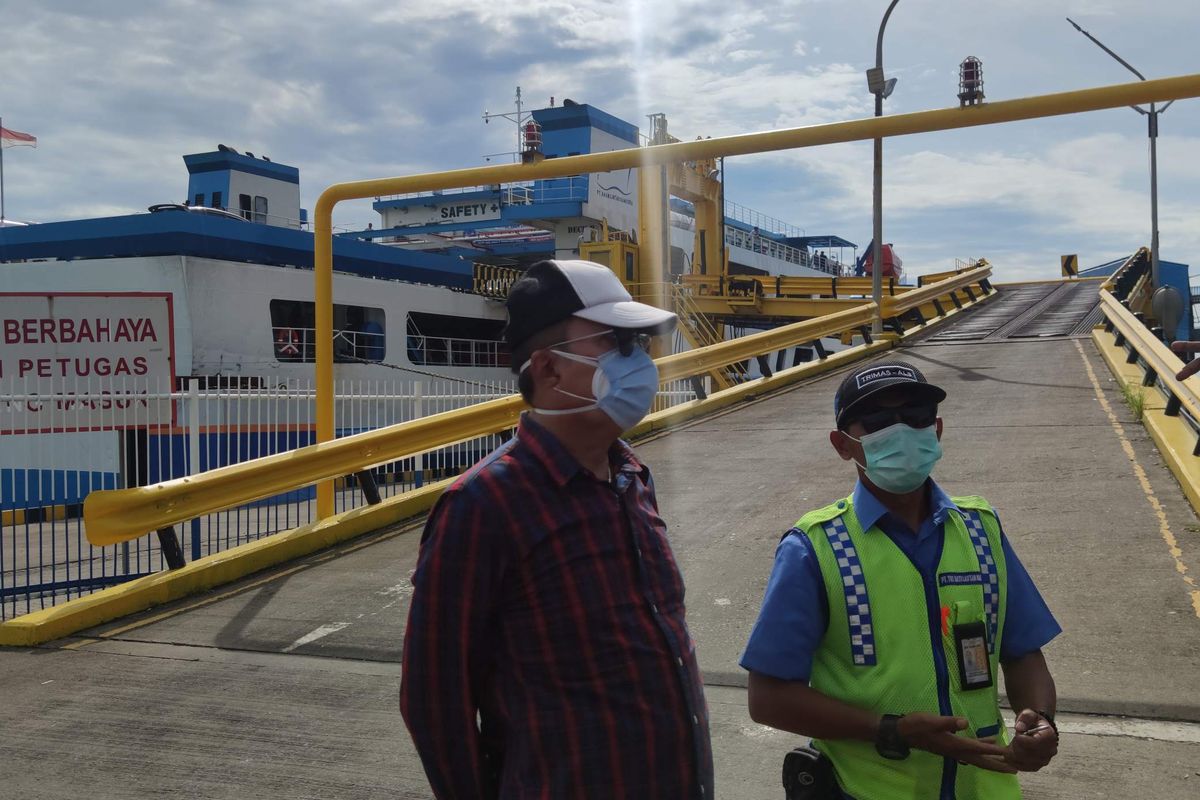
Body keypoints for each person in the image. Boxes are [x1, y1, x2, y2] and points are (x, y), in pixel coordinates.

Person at [400, 259, 714, 799]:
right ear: (547, 369)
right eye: (617, 342)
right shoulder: (483, 505)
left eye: (639, 344)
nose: (639, 362)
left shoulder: (632, 476)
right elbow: (435, 700)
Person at [742, 360, 1061, 799]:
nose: (903, 432)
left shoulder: (980, 530)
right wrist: (890, 730)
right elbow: (768, 697)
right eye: (877, 422)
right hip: (865, 790)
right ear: (843, 444)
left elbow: (1023, 653)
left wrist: (1041, 719)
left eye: (916, 418)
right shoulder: (814, 549)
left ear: (937, 429)